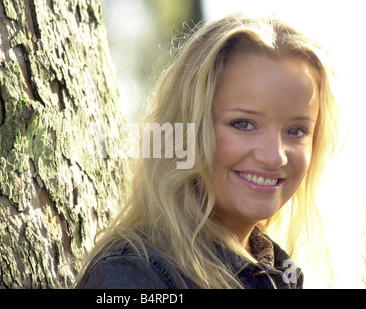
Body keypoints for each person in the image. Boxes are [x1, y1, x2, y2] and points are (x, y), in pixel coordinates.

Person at [75, 13, 340, 289]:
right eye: (243, 124)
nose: (275, 156)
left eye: (296, 131)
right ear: (187, 130)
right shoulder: (133, 275)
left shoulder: (283, 272)